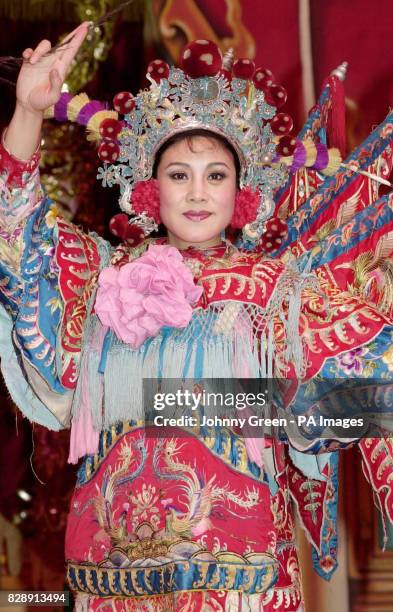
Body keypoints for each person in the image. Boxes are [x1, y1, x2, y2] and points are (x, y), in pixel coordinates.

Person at [1, 22, 393, 612]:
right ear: (150, 189)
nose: (197, 193)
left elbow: (348, 396)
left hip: (235, 570)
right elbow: (19, 242)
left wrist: (167, 399)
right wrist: (27, 115)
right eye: (178, 175)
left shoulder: (275, 289)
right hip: (111, 573)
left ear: (242, 192)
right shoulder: (103, 276)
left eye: (216, 175)